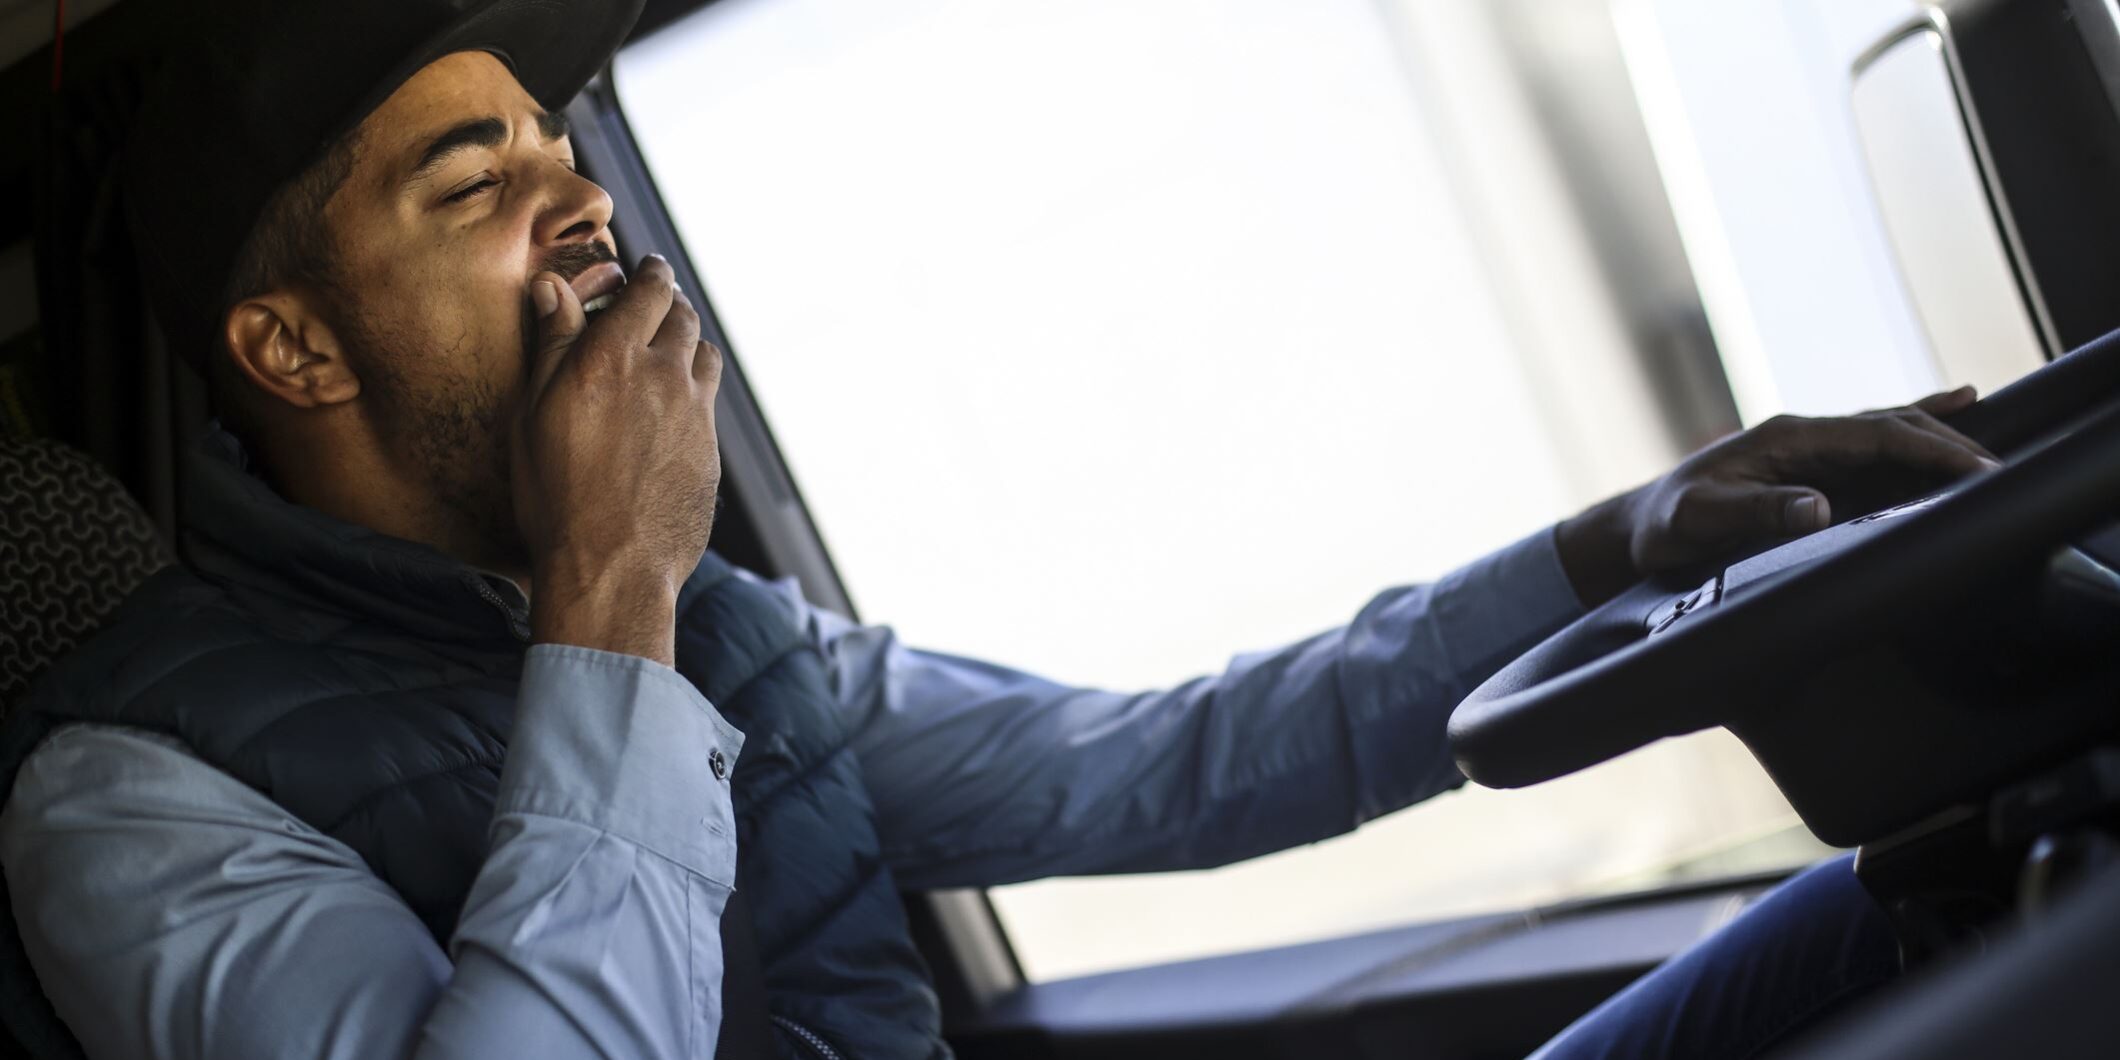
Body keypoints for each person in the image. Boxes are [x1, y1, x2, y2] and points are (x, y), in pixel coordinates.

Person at [0, 1, 1995, 1057]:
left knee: (1934, 898)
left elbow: (1178, 760)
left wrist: (1611, 543)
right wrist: (605, 591)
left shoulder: (728, 637)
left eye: (558, 133)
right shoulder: (129, 787)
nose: (579, 194)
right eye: (475, 173)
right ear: (292, 343)